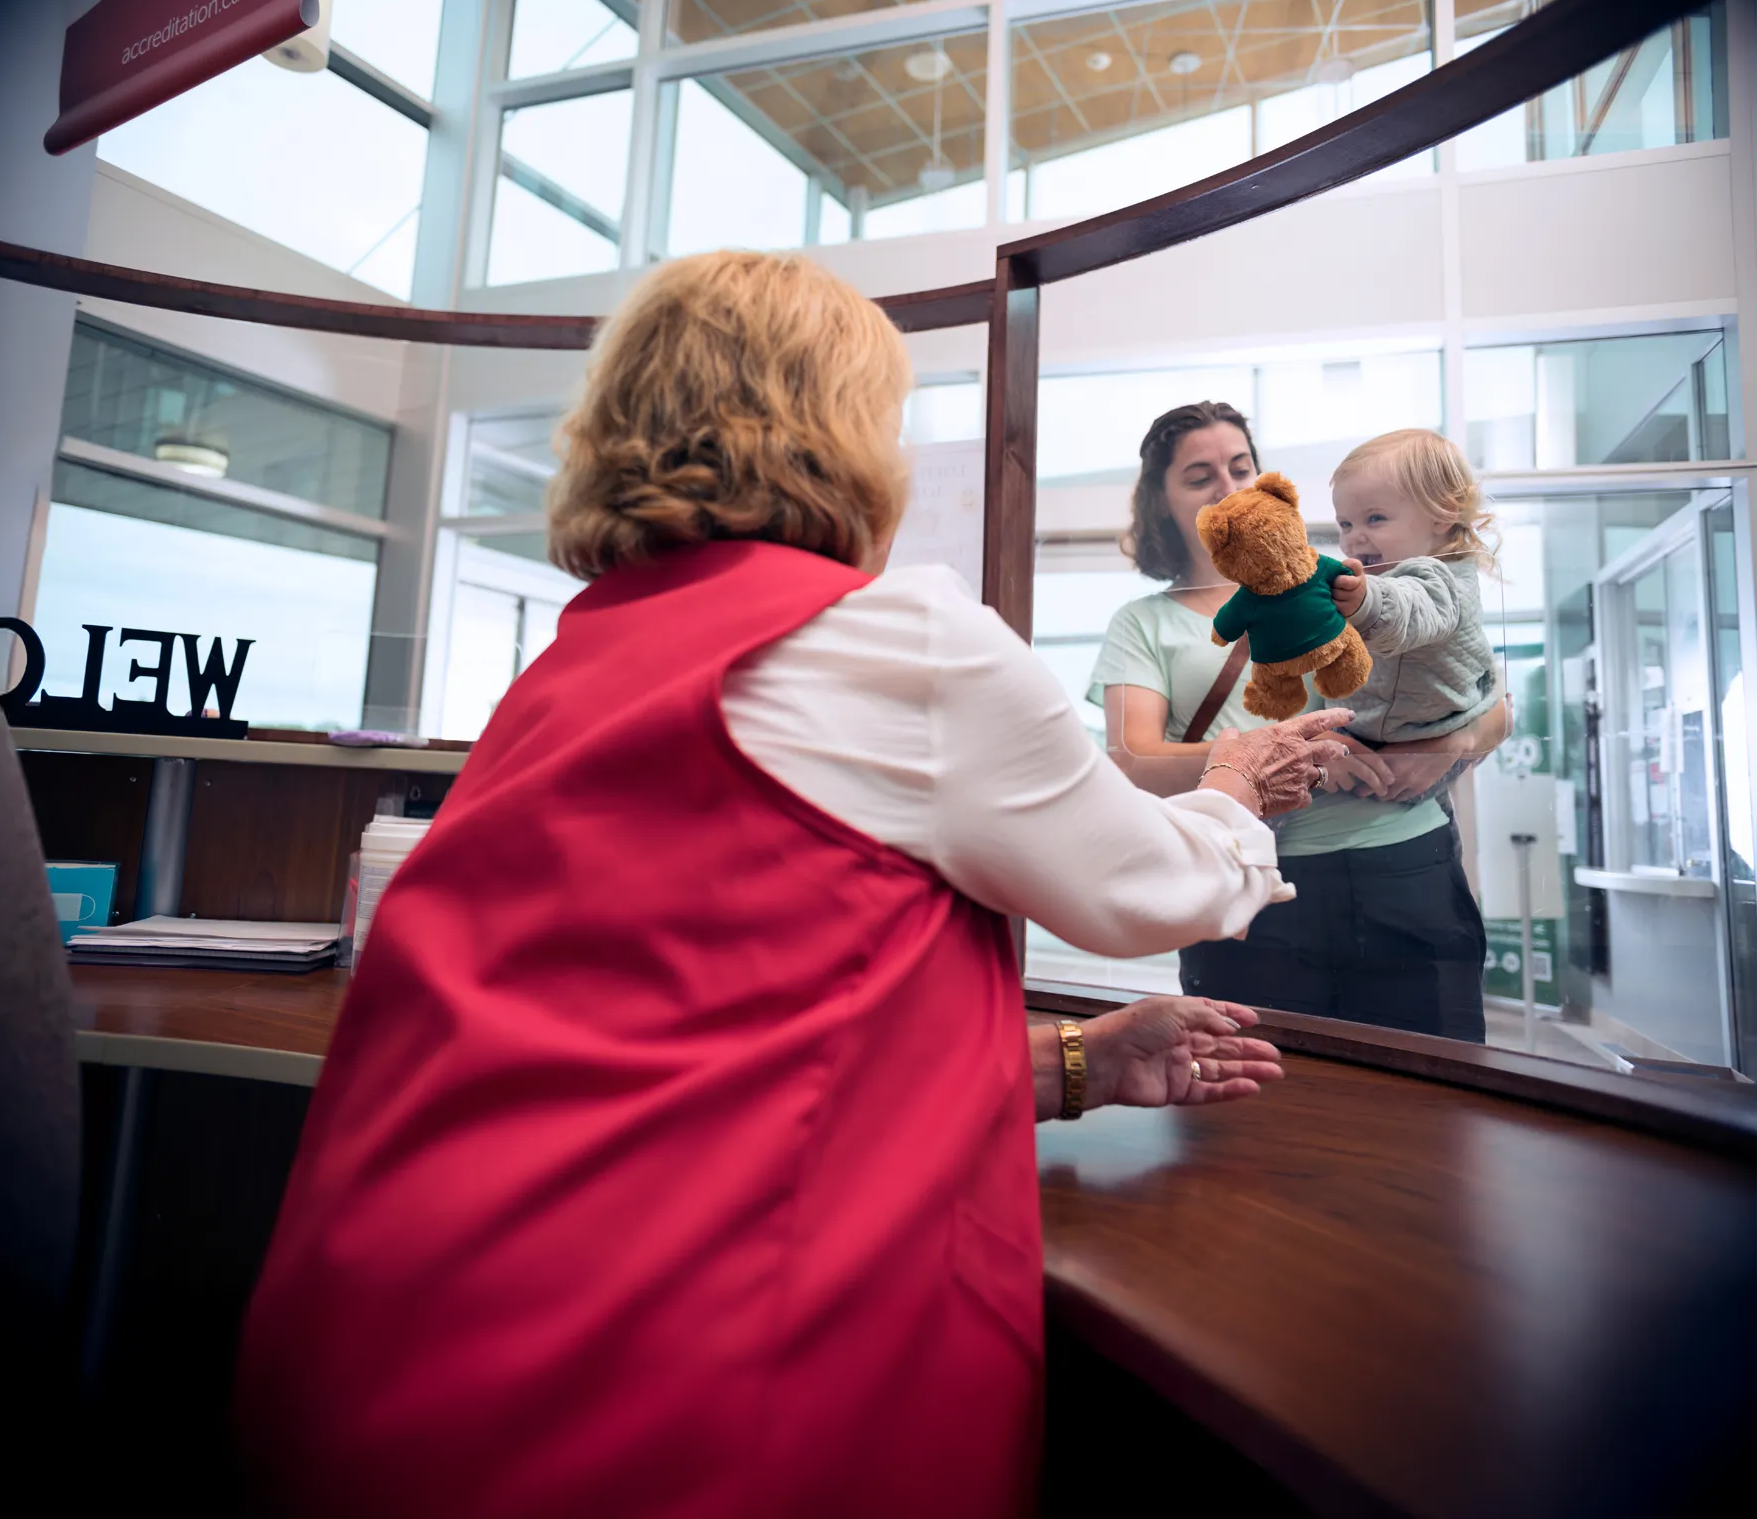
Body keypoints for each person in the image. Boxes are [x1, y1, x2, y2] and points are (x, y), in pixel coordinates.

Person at [233, 253, 1349, 1518]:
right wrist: (1238, 787)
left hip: (381, 1360)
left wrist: (1068, 1065)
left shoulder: (571, 664)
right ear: (841, 436)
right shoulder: (889, 639)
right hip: (660, 1410)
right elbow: (1152, 892)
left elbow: (686, 1020)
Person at [1090, 403, 1509, 1043]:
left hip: (1407, 864)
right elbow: (1133, 762)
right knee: (1261, 1104)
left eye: (1240, 466)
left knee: (1436, 1101)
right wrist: (1292, 754)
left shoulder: (1352, 577)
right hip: (1252, 878)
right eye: (1200, 477)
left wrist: (1439, 746)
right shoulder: (1145, 621)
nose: (1230, 487)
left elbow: (1490, 704)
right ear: (1162, 501)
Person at [1328, 428, 1502, 803]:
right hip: (1398, 731)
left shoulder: (1438, 579)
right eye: (1346, 524)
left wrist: (1364, 602)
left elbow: (1406, 611)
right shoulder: (1410, 574)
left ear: (1441, 514)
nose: (1354, 537)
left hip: (1419, 735)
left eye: (1374, 518)